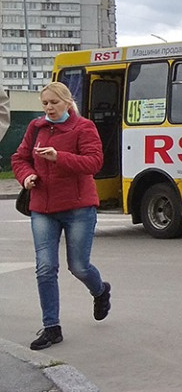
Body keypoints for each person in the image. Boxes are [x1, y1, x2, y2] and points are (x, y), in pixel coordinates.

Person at [11, 82, 110, 350]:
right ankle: (51, 327)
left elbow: (94, 163)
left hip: (78, 207)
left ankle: (100, 291)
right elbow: (19, 159)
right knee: (45, 268)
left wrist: (59, 157)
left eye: (54, 102)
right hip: (42, 208)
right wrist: (27, 176)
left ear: (68, 102)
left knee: (78, 266)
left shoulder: (83, 127)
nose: (49, 108)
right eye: (45, 103)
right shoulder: (36, 128)